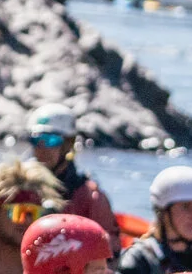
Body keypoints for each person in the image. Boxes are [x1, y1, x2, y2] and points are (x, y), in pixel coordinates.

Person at [24, 104, 120, 252]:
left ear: (68, 144)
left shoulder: (90, 197)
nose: (42, 148)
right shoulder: (17, 188)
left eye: (51, 140)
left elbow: (110, 248)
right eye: (36, 140)